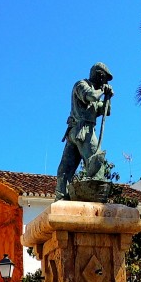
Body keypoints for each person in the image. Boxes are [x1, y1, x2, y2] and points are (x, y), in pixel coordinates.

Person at [55, 62, 114, 200]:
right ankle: (62, 198)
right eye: (105, 78)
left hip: (83, 131)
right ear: (99, 75)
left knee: (67, 169)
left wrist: (108, 98)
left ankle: (89, 196)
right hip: (81, 131)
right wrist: (102, 91)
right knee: (93, 164)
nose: (105, 82)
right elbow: (91, 96)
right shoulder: (81, 84)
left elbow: (106, 111)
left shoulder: (97, 90)